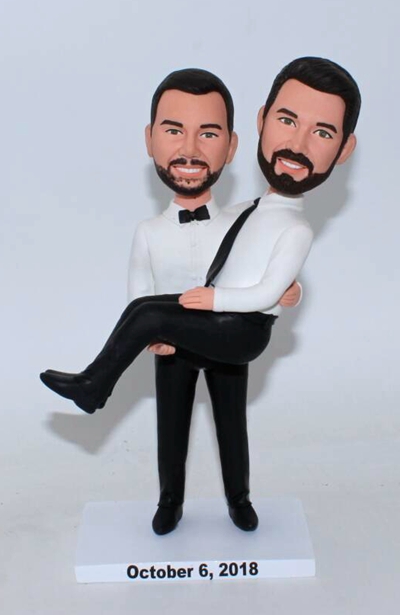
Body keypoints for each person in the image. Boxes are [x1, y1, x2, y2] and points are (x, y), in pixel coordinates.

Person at [40, 57, 361, 532]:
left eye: (208, 134)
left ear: (231, 145)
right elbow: (235, 265)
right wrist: (282, 291)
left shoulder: (270, 221)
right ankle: (169, 500)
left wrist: (263, 295)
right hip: (178, 344)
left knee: (230, 422)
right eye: (287, 121)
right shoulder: (243, 212)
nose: (297, 143)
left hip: (228, 329)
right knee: (169, 416)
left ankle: (238, 498)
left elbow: (264, 279)